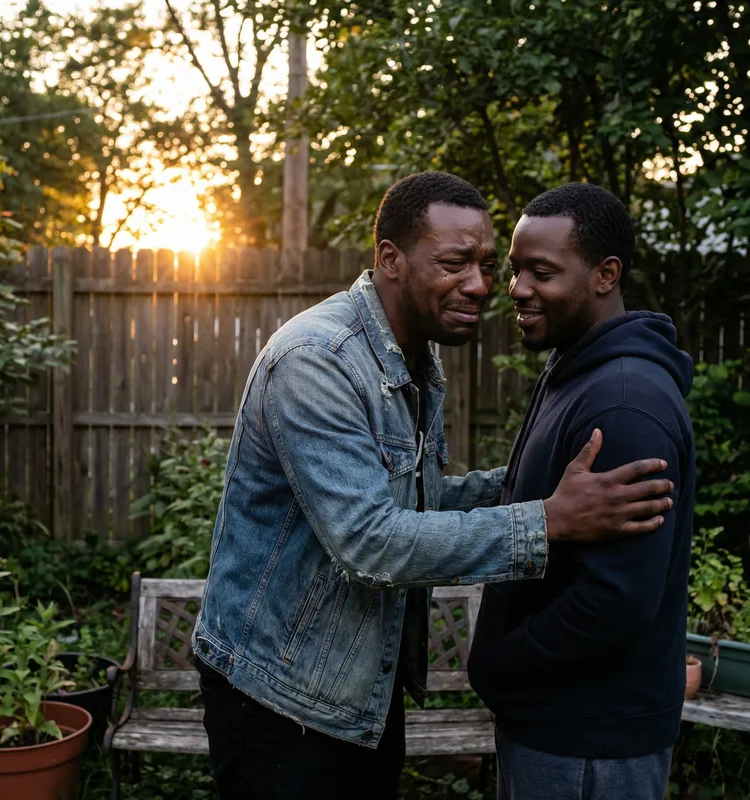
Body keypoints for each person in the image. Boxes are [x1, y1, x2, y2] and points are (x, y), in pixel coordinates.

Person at [191, 172, 675, 800]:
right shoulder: (319, 360)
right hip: (281, 696)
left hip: (356, 689)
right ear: (390, 259)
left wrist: (526, 486)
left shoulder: (411, 353)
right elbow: (370, 541)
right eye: (454, 263)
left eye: (481, 263)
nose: (480, 285)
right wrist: (547, 520)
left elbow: (412, 502)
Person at [468, 182, 695, 800]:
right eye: (516, 270)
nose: (516, 289)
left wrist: (503, 663)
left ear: (605, 275)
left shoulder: (624, 405)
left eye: (542, 272)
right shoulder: (575, 372)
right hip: (555, 726)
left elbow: (617, 598)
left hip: (588, 741)